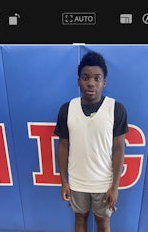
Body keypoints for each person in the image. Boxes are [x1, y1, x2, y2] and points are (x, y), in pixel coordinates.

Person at [54, 51, 129, 232]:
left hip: (103, 182)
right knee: (80, 219)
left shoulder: (116, 109)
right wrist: (64, 181)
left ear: (104, 82)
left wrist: (115, 186)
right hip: (77, 181)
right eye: (85, 77)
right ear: (78, 81)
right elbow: (63, 146)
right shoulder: (67, 109)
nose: (91, 83)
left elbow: (119, 149)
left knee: (103, 222)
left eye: (97, 78)